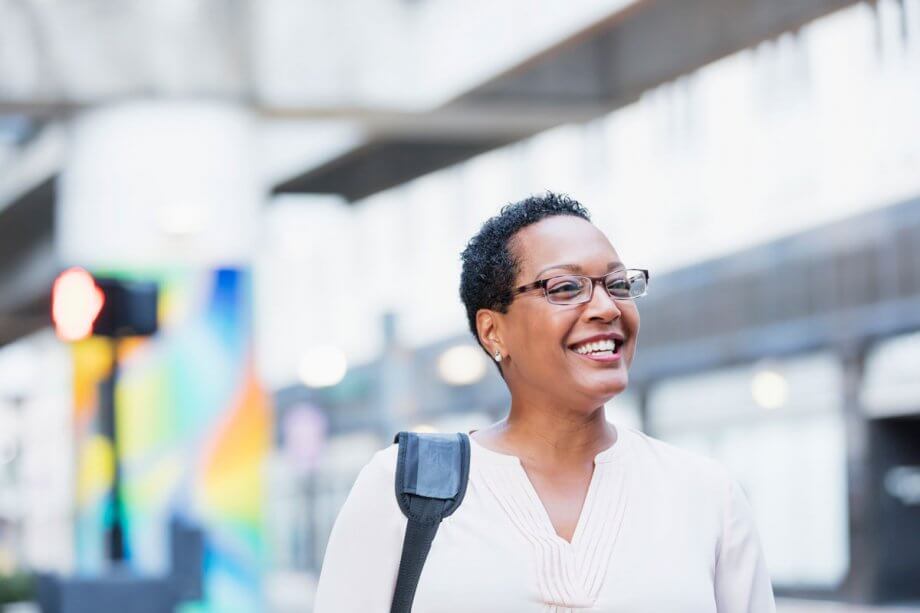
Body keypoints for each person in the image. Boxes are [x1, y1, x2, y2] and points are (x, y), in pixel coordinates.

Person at [313, 193, 776, 612]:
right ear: (494, 331)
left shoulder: (708, 496)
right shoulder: (402, 490)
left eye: (617, 284)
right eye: (566, 288)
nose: (608, 307)